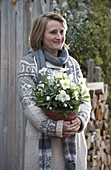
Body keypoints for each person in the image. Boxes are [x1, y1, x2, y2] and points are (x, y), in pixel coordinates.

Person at [18, 12, 91, 170]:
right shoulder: (29, 63)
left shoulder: (72, 64)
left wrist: (80, 121)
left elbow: (85, 97)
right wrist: (56, 127)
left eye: (62, 31)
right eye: (53, 32)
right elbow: (28, 103)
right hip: (41, 142)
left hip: (73, 138)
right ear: (40, 35)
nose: (59, 37)